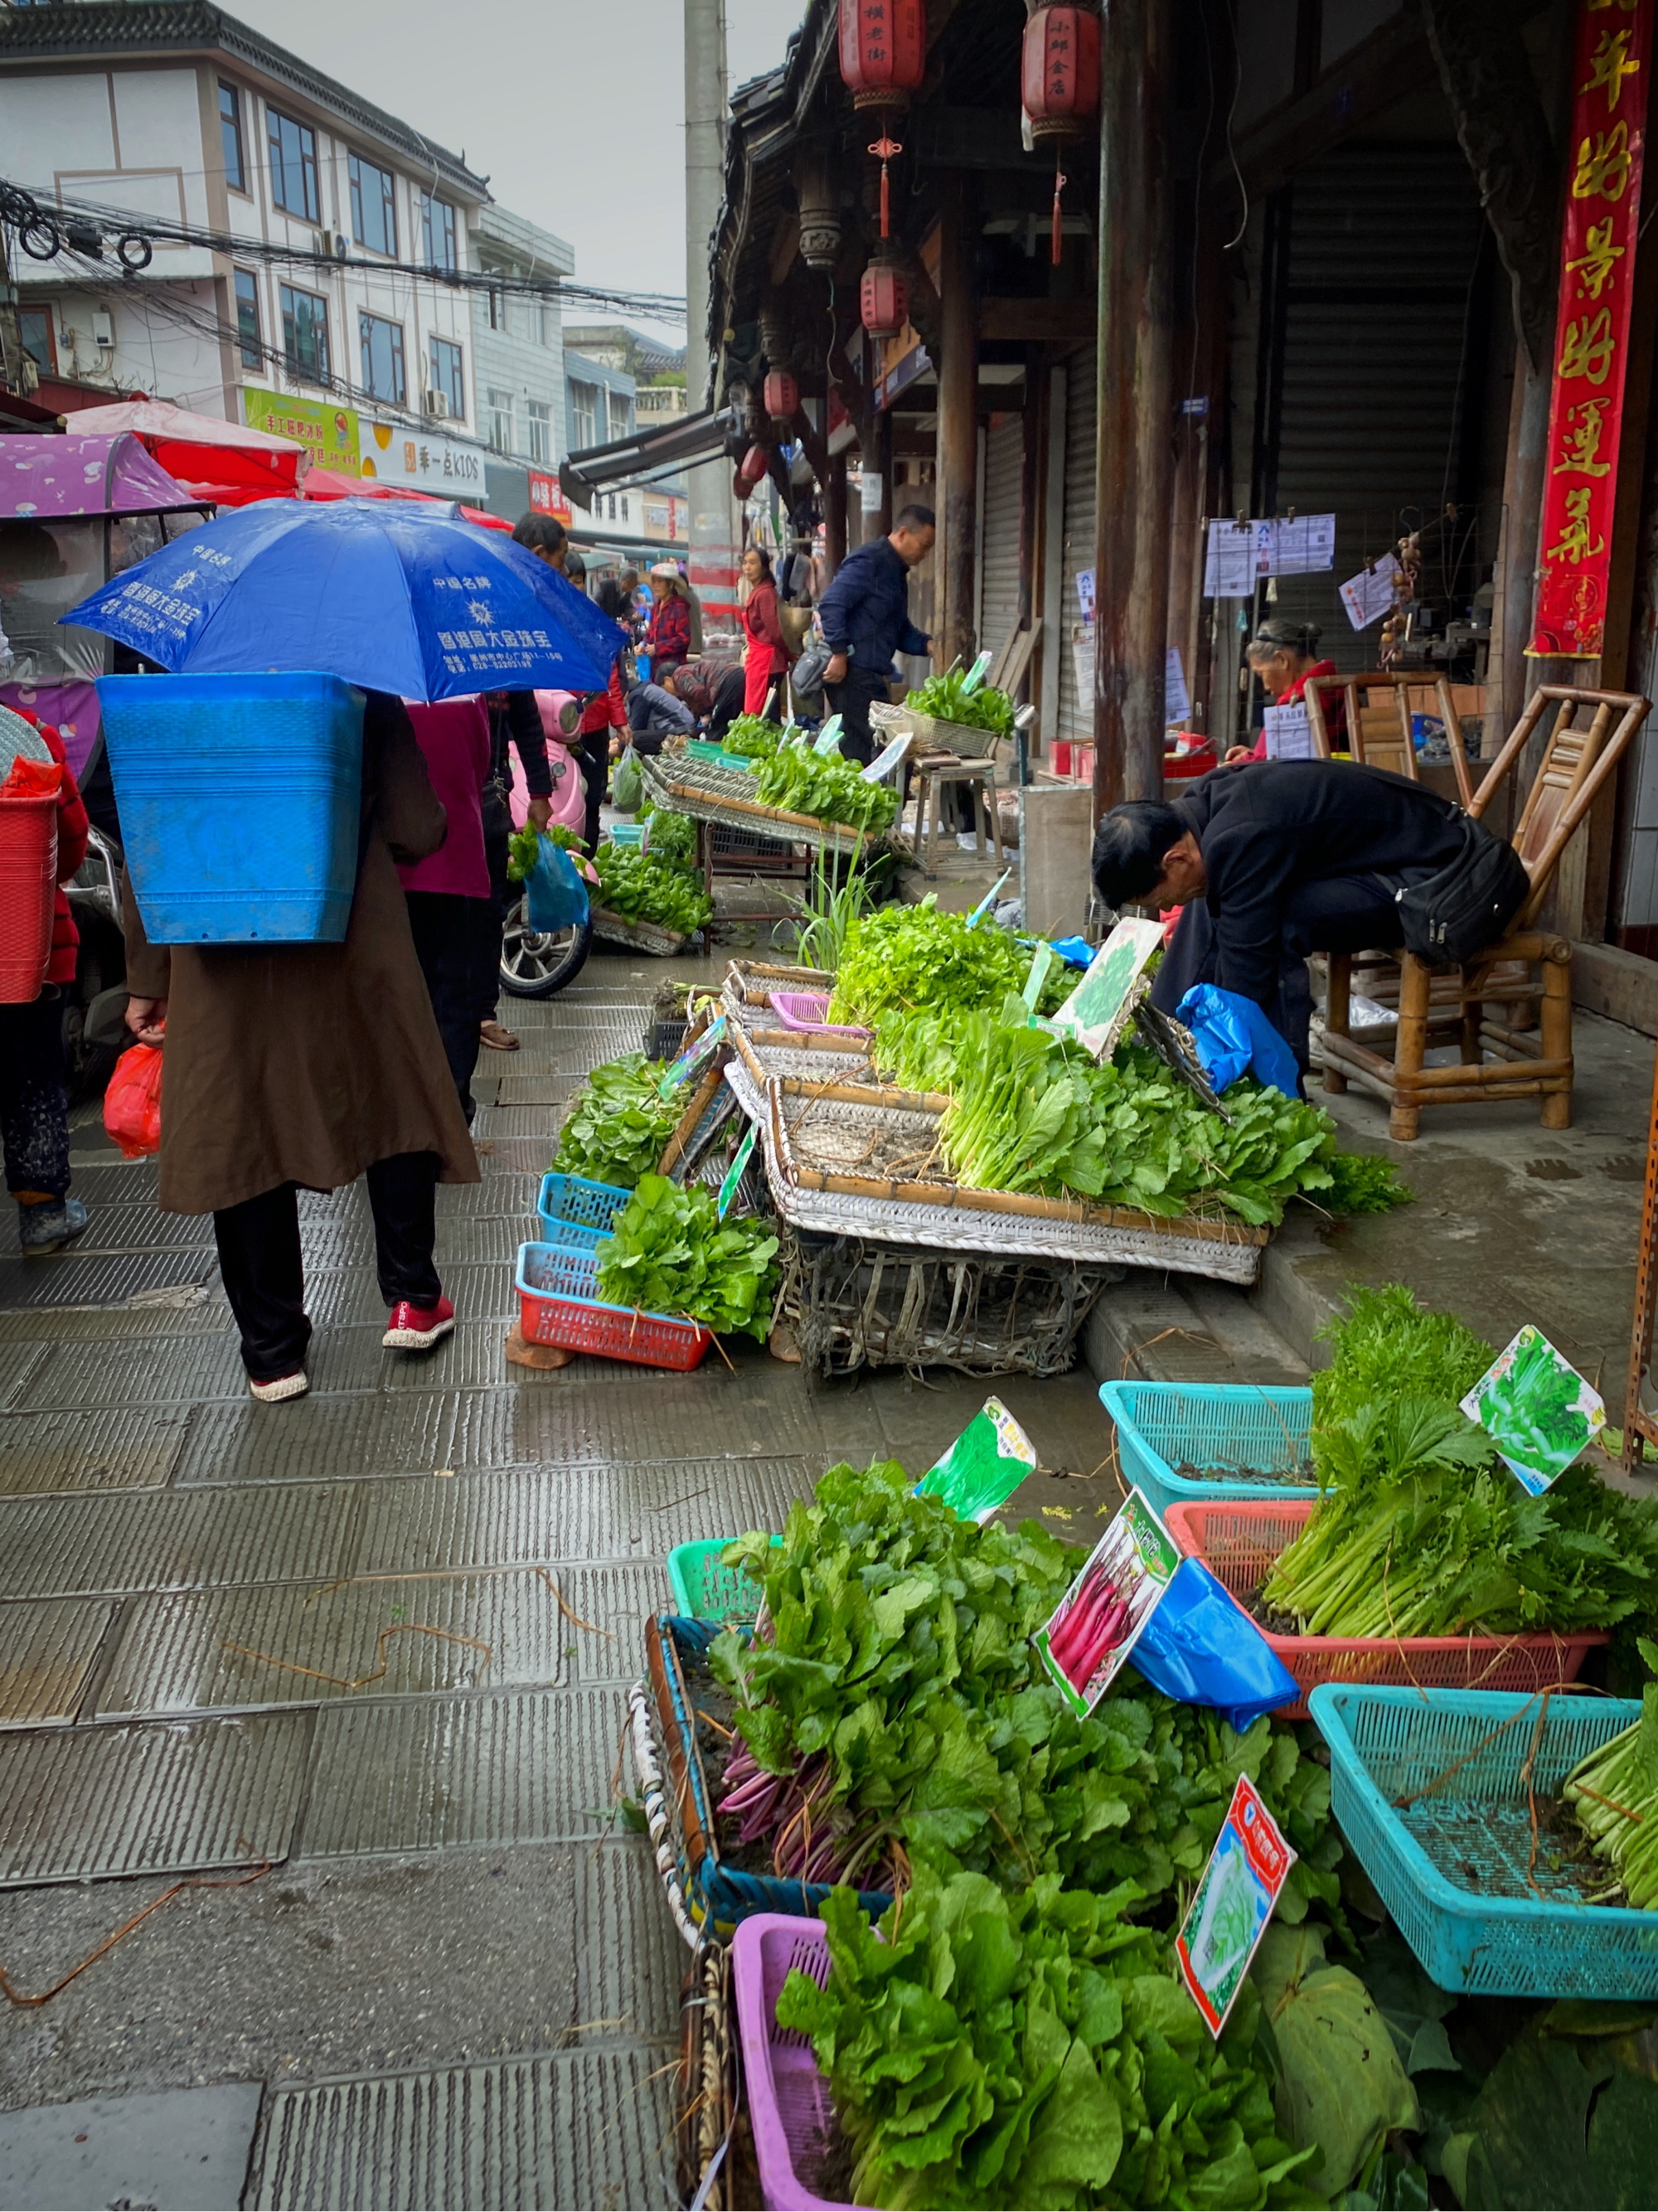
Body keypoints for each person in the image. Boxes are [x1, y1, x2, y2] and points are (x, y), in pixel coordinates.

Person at [122, 691, 478, 1403]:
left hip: (219, 950)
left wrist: (148, 977)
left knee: (241, 1125)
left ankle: (272, 1352)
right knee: (392, 1100)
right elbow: (415, 827)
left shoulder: (179, 698)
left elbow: (148, 837)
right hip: (350, 939)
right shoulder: (358, 690)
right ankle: (411, 1297)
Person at [1088, 758, 1482, 1072]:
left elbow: (1248, 973)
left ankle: (1274, 1086)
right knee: (1214, 894)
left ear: (1174, 858)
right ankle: (1161, 1041)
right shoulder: (1196, 820)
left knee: (1274, 920)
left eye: (1153, 896)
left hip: (1437, 878)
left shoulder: (1240, 837)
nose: (1161, 908)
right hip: (1377, 865)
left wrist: (1229, 1051)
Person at [1, 707, 90, 1254]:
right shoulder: (29, 737)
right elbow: (69, 844)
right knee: (32, 1081)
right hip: (29, 949)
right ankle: (43, 1218)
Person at [400, 696, 495, 1123]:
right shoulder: (469, 694)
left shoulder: (372, 694)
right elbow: (481, 766)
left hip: (397, 870)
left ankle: (403, 1108)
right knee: (456, 994)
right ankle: (452, 1110)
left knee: (402, 994)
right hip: (459, 862)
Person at [817, 504, 936, 764]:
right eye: (924, 545)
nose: (925, 554)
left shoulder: (896, 572)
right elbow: (832, 604)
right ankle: (872, 804)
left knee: (873, 754)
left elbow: (898, 628)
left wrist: (927, 645)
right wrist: (838, 652)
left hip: (872, 678)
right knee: (879, 754)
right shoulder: (870, 560)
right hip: (853, 676)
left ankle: (872, 803)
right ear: (903, 533)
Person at [1227, 618, 1345, 764]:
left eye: (1261, 674)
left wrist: (1237, 763)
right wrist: (1253, 754)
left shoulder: (1297, 702)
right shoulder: (1334, 687)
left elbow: (1265, 764)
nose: (1265, 687)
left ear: (1281, 660)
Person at [739, 544, 791, 719]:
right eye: (745, 562)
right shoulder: (758, 591)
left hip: (769, 662)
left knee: (768, 715)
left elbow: (775, 632)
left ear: (763, 565)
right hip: (759, 660)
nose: (747, 567)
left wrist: (789, 654)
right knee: (762, 714)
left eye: (752, 563)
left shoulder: (765, 593)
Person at [670, 657, 745, 740]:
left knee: (715, 731)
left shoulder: (678, 675)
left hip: (728, 682)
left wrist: (709, 713)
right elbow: (697, 708)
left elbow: (698, 691)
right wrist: (692, 733)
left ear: (667, 680)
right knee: (732, 728)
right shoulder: (685, 687)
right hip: (739, 676)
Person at [643, 560, 692, 682]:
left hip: (673, 672)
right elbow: (650, 634)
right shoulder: (655, 608)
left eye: (660, 581)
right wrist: (643, 644)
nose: (655, 585)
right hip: (655, 670)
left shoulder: (679, 608)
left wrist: (658, 648)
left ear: (670, 584)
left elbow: (684, 639)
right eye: (654, 581)